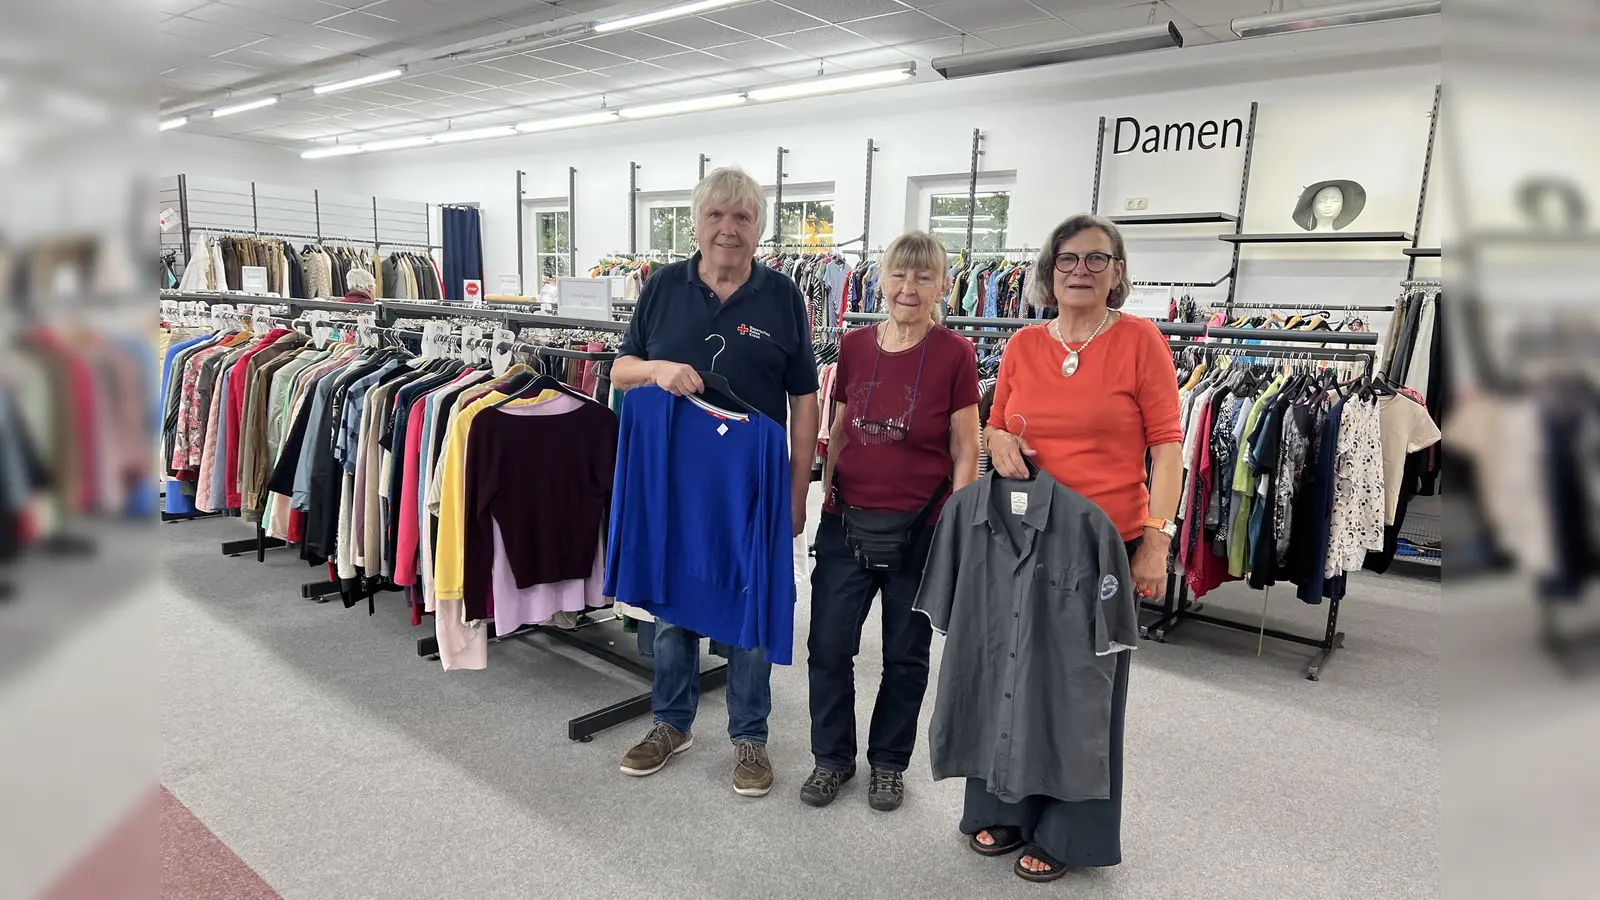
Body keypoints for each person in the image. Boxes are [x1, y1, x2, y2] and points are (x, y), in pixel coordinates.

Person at [974, 213, 1182, 881]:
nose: (1081, 270)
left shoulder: (1141, 341)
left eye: (1097, 259)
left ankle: (1068, 831)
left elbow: (1168, 448)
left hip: (1104, 544)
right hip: (1022, 539)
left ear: (1118, 272)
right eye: (1068, 258)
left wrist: (1158, 538)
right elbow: (996, 426)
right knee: (1013, 679)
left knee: (1081, 692)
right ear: (1049, 268)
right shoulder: (1024, 345)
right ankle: (1005, 805)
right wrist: (996, 439)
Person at [610, 166, 820, 798]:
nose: (729, 229)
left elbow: (805, 400)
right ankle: (670, 723)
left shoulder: (782, 295)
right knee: (675, 602)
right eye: (716, 216)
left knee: (751, 603)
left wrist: (798, 488)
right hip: (677, 479)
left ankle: (750, 736)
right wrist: (660, 368)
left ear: (759, 227)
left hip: (753, 479)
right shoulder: (663, 288)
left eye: (743, 217)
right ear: (696, 222)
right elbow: (621, 371)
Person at [803, 231, 981, 812]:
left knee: (906, 655)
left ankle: (888, 764)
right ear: (881, 279)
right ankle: (831, 758)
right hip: (846, 521)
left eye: (924, 277)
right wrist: (824, 497)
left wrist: (956, 527)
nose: (909, 288)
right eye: (900, 275)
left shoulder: (955, 353)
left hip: (923, 526)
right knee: (829, 646)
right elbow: (841, 429)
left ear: (942, 287)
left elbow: (966, 448)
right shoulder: (852, 346)